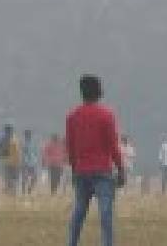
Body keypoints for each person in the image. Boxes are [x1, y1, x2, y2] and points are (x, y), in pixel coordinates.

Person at [66, 74, 125, 246]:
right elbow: (113, 145)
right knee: (105, 213)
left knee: (79, 212)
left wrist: (74, 168)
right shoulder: (106, 115)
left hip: (81, 170)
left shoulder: (72, 116)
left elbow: (70, 146)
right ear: (98, 92)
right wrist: (120, 169)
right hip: (102, 172)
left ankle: (72, 242)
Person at [0, 125, 21, 196]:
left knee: (9, 178)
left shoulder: (3, 139)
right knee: (13, 178)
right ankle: (11, 191)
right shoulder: (14, 139)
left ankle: (10, 190)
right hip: (13, 162)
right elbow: (18, 151)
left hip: (9, 162)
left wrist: (1, 156)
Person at [21, 129, 40, 195]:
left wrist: (36, 160)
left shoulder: (33, 143)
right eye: (27, 134)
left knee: (34, 178)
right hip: (25, 163)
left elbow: (36, 153)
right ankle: (23, 191)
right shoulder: (22, 143)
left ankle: (29, 189)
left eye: (29, 134)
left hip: (32, 162)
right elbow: (22, 153)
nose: (28, 135)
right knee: (24, 177)